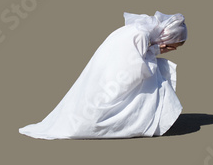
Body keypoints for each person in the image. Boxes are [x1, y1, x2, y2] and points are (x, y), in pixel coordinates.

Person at [19, 11, 188, 139]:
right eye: (174, 45)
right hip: (108, 83)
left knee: (158, 73)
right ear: (167, 36)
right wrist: (155, 52)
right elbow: (130, 70)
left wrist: (155, 50)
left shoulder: (138, 31)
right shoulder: (140, 35)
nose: (172, 50)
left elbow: (130, 59)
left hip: (104, 77)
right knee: (156, 80)